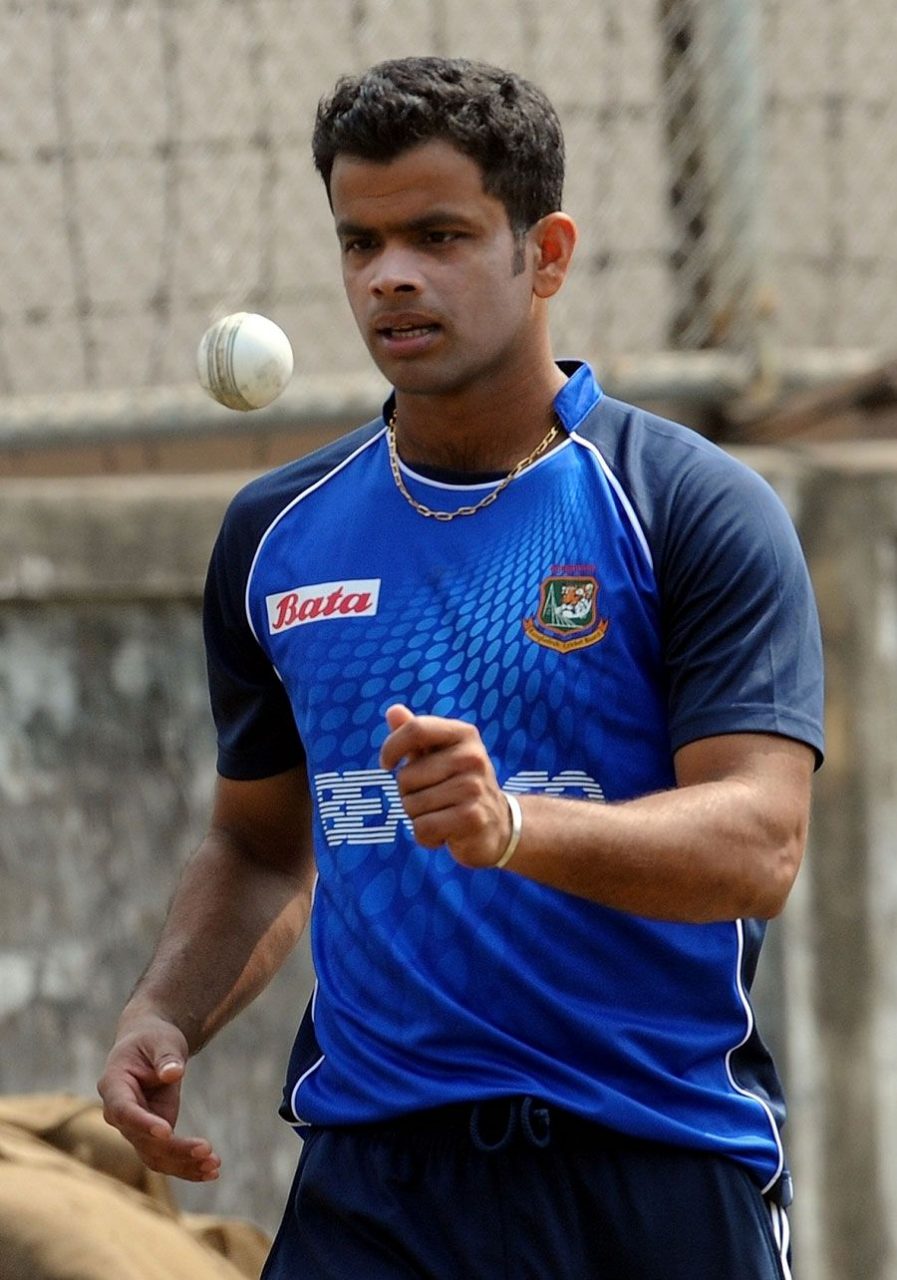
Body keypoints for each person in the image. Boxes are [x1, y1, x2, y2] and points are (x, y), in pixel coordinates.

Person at [98, 56, 824, 1279]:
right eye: (361, 241)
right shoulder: (275, 538)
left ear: (545, 252)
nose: (391, 275)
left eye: (439, 234)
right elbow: (264, 844)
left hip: (649, 1165)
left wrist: (511, 826)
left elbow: (760, 843)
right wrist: (163, 1011)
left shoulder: (687, 505)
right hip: (377, 1183)